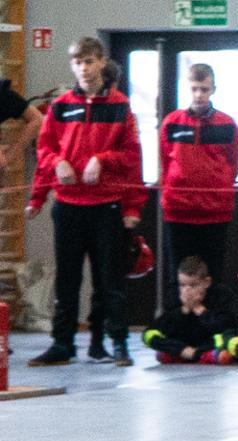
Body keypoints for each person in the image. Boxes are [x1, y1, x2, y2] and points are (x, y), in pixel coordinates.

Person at [27, 36, 144, 368]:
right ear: (72, 66)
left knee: (111, 280)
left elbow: (133, 157)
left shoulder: (121, 106)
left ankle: (118, 343)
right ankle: (62, 344)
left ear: (102, 63)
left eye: (89, 61)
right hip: (68, 207)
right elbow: (45, 150)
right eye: (77, 62)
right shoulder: (61, 106)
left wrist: (104, 162)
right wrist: (51, 173)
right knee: (67, 279)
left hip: (107, 206)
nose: (84, 68)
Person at [156, 62, 238, 315]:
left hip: (215, 212)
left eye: (204, 89)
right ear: (188, 88)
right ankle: (176, 328)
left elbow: (234, 165)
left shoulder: (227, 124)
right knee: (177, 273)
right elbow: (164, 161)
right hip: (178, 211)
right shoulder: (171, 122)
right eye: (194, 89)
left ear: (213, 89)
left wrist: (217, 185)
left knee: (213, 274)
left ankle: (212, 331)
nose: (199, 95)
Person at [142, 256, 238, 364]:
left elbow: (226, 326)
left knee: (230, 337)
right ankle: (197, 356)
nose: (187, 290)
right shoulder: (174, 295)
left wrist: (199, 310)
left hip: (210, 341)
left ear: (206, 283)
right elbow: (163, 327)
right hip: (182, 344)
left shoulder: (221, 294)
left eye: (193, 285)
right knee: (149, 335)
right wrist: (183, 311)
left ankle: (193, 355)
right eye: (182, 285)